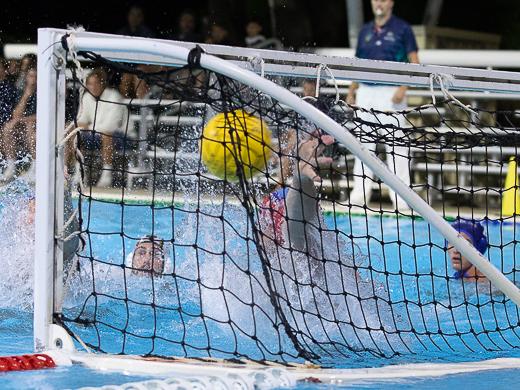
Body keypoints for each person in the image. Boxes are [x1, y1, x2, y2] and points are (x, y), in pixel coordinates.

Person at [346, 0, 419, 210]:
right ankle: (359, 197)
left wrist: (404, 88)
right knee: (363, 145)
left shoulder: (403, 29)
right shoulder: (365, 31)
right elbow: (358, 63)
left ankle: (402, 200)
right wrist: (352, 90)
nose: (379, 3)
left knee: (397, 147)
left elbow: (414, 63)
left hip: (391, 93)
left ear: (391, 3)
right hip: (366, 93)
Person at [76, 68, 128, 187]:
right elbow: (80, 121)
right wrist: (83, 126)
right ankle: (77, 171)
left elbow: (111, 126)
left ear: (102, 83)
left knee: (106, 134)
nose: (93, 87)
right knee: (73, 133)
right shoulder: (86, 97)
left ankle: (107, 174)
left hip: (121, 136)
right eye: (90, 84)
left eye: (96, 83)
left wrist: (87, 126)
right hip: (95, 134)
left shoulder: (114, 97)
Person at [1, 67, 37, 182]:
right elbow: (16, 115)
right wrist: (26, 95)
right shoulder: (21, 91)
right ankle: (11, 166)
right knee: (8, 127)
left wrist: (25, 120)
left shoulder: (44, 93)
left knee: (30, 125)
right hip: (24, 128)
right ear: (26, 77)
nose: (33, 80)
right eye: (31, 76)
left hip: (38, 129)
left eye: (36, 77)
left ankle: (36, 167)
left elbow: (43, 116)